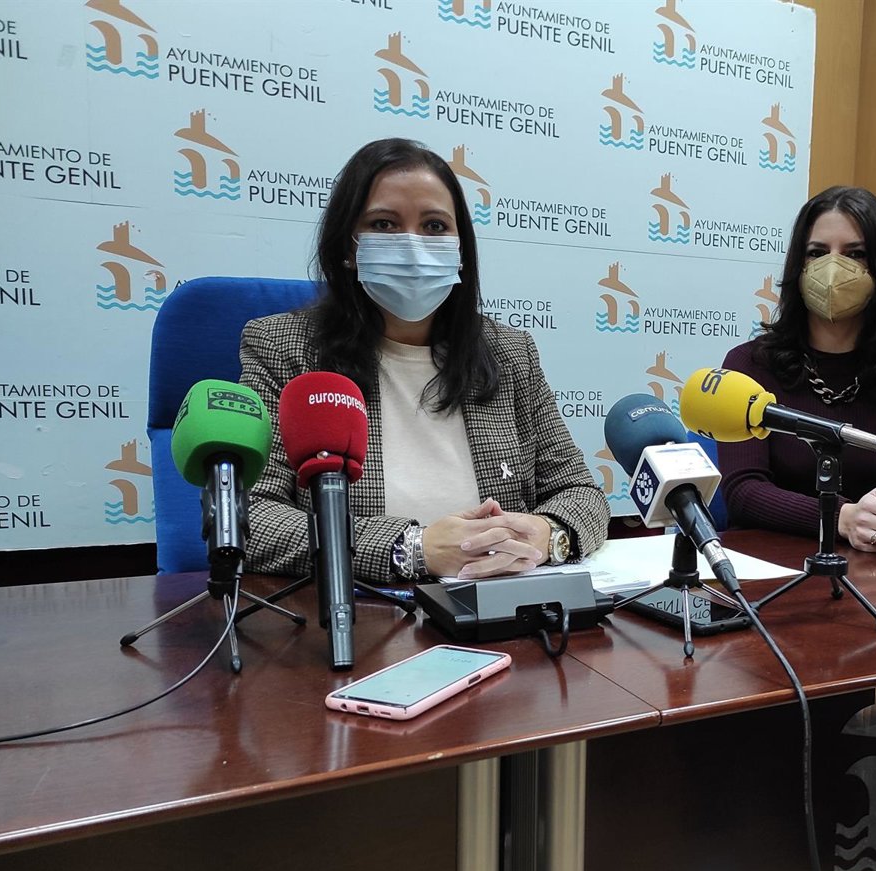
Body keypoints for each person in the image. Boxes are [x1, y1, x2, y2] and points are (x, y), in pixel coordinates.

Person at [239, 138, 609, 583]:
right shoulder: (284, 348)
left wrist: (549, 535)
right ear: (348, 247)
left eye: (434, 226)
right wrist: (412, 548)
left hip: (501, 604)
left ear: (461, 248)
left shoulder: (510, 351)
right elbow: (251, 518)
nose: (413, 245)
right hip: (366, 608)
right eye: (384, 224)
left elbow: (581, 493)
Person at [716, 185, 876, 552]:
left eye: (855, 254)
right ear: (799, 266)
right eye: (817, 253)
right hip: (770, 562)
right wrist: (841, 518)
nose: (832, 269)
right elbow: (743, 492)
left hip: (875, 563)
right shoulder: (749, 365)